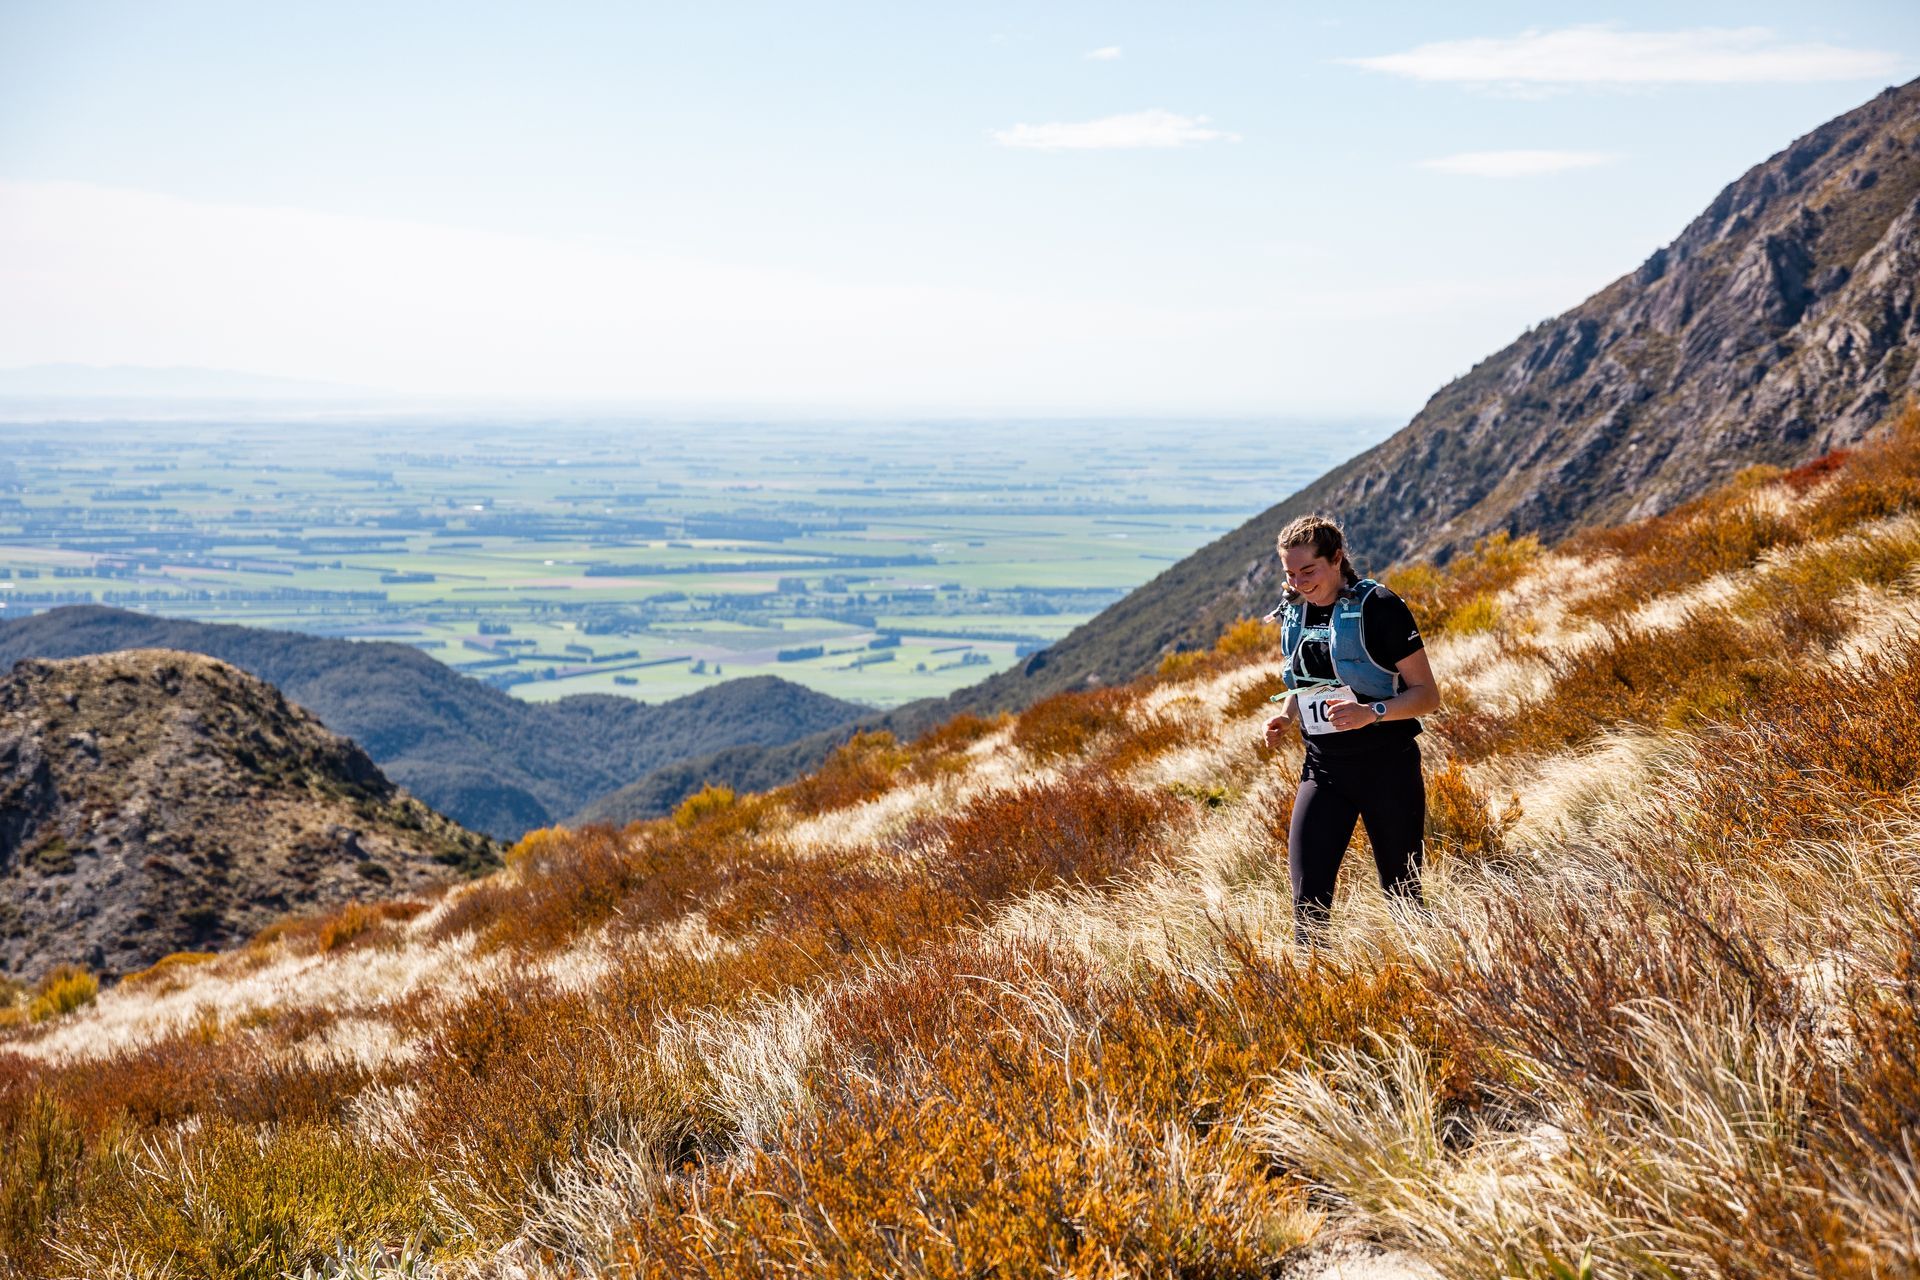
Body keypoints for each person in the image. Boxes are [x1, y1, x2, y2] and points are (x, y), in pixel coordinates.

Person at [1260, 514, 1441, 943]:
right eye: (1290, 573)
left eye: (1309, 571)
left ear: (1337, 558)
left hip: (1387, 768)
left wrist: (1370, 711)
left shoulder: (1380, 608)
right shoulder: (1295, 610)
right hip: (1323, 770)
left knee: (1404, 896)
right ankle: (1312, 992)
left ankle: (1433, 979)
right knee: (1308, 906)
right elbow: (1305, 682)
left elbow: (1427, 696)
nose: (1300, 582)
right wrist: (1287, 715)